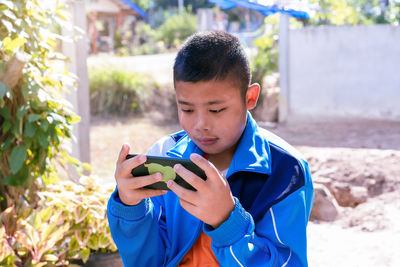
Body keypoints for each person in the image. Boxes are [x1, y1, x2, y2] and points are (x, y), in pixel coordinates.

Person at [107, 31, 314, 266]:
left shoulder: (286, 172)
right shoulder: (164, 154)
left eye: (216, 110)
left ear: (250, 97)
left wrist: (227, 222)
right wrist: (131, 209)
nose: (200, 125)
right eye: (187, 109)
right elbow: (149, 260)